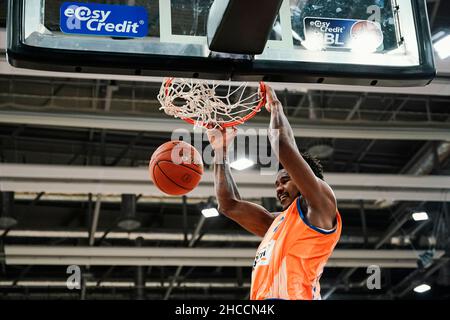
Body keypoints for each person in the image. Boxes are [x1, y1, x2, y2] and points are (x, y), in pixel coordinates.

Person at [206, 84, 342, 300]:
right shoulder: (277, 224)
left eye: (285, 180)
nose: (279, 188)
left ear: (304, 177)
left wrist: (275, 106)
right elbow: (228, 204)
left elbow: (283, 145)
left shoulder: (322, 206)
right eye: (276, 184)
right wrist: (220, 151)